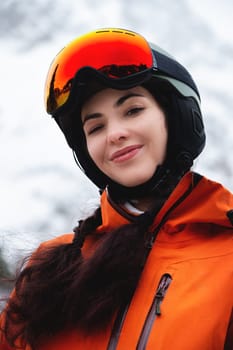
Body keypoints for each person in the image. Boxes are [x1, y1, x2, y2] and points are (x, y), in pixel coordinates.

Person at [0, 27, 232, 350]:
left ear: (176, 117)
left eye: (133, 110)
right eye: (95, 127)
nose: (115, 134)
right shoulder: (50, 271)